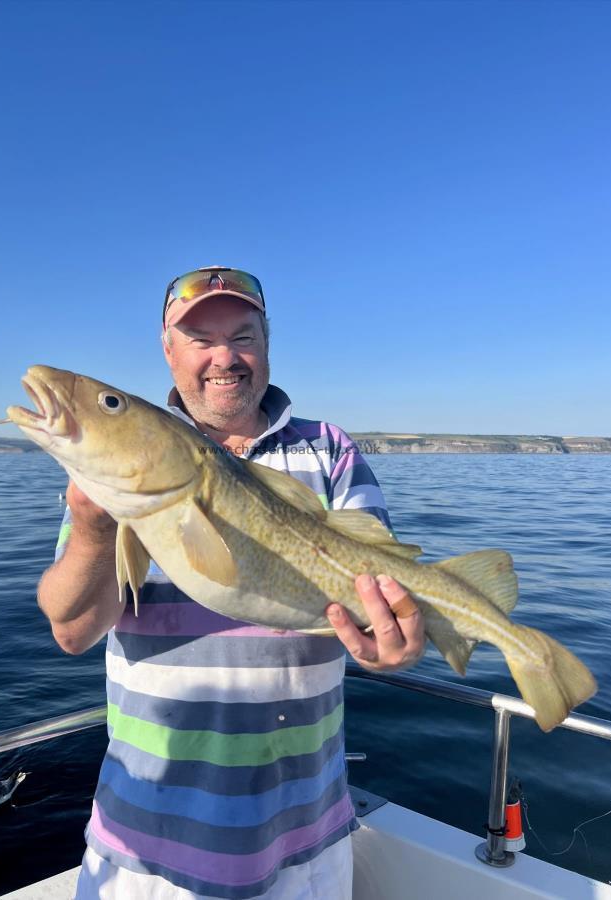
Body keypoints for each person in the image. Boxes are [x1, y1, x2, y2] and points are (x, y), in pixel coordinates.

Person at [37, 267, 426, 900]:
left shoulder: (329, 450)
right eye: (200, 340)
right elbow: (74, 631)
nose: (225, 358)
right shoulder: (122, 464)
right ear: (168, 351)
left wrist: (397, 646)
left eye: (242, 336)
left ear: (267, 343)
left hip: (307, 838)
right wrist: (90, 525)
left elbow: (381, 602)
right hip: (147, 847)